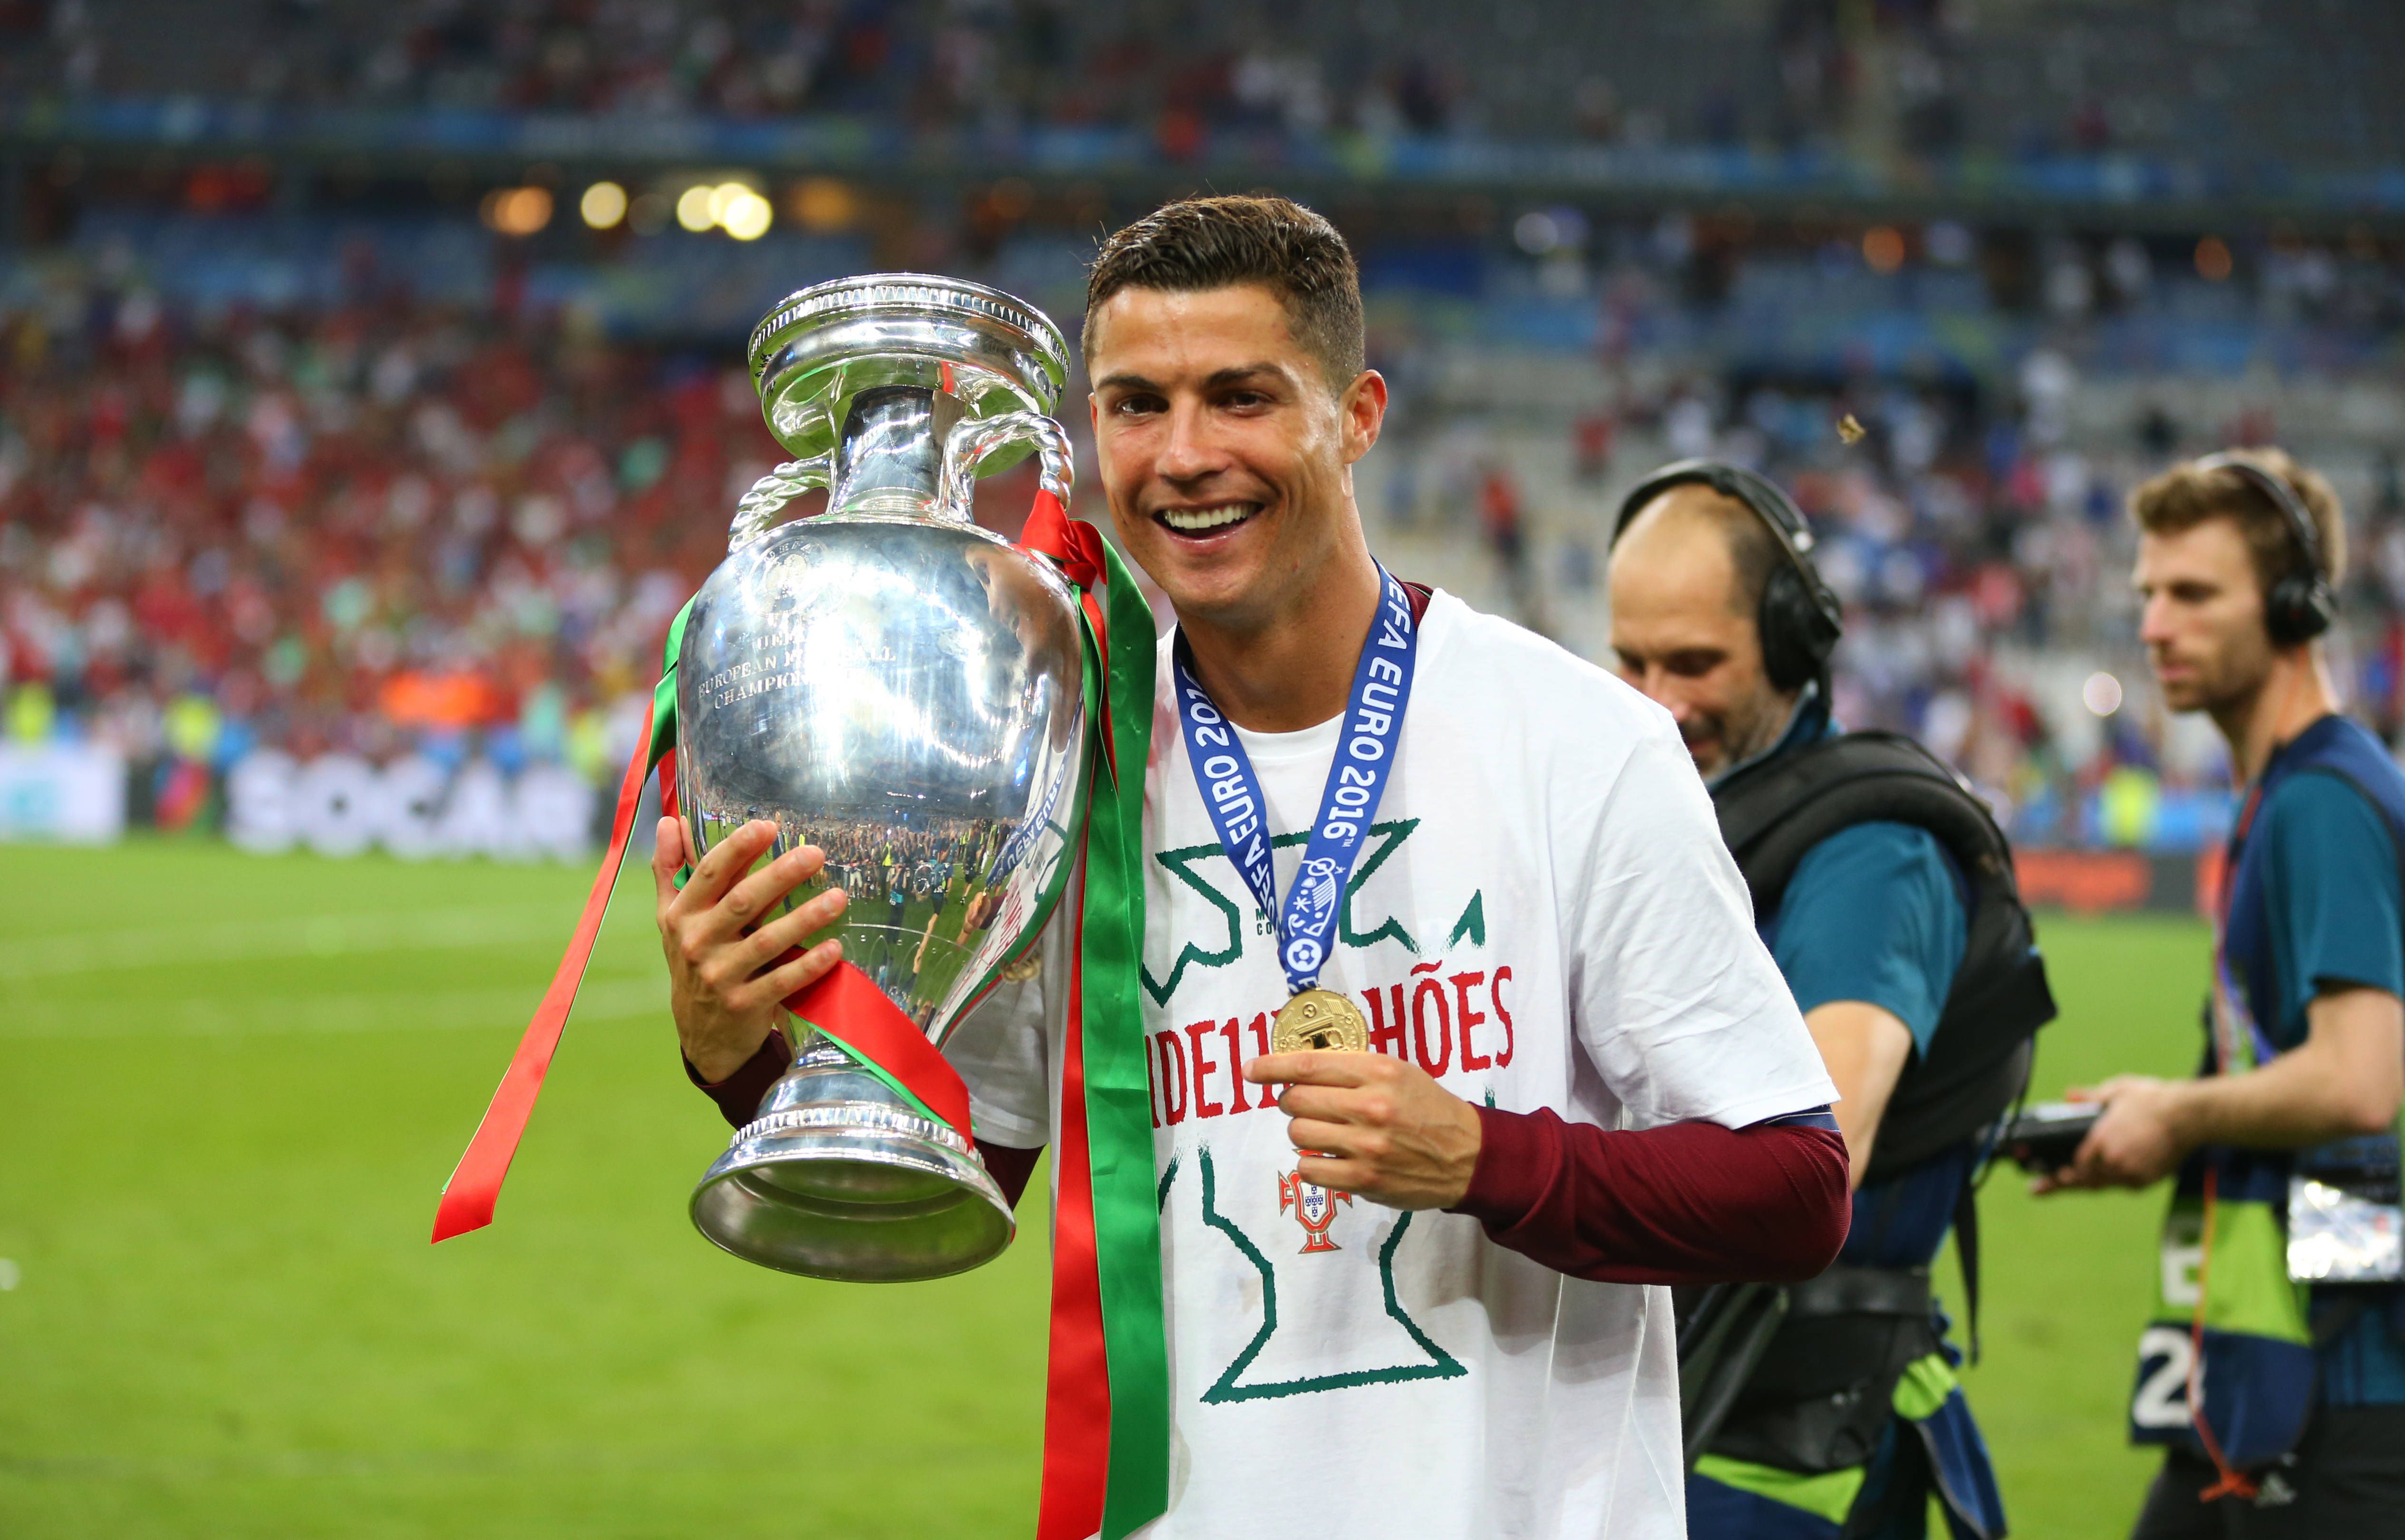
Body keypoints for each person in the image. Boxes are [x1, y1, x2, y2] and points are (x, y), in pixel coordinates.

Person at [651, 195, 1851, 1539]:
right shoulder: (1066, 763)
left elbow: (1795, 1193)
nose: (1182, 456)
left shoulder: (1578, 742)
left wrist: (1480, 1156)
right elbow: (960, 1181)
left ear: (1356, 415)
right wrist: (736, 1053)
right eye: (1134, 405)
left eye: (1239, 397)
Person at [1608, 462, 2056, 1540]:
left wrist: (1509, 1165)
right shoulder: (1699, 819)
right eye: (1632, 660)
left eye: (1697, 662)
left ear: (1794, 645)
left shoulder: (1870, 854)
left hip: (1787, 1450)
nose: (1659, 700)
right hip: (1699, 1419)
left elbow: (1808, 1158)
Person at [2040, 450, 2405, 1537]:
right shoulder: (2284, 795)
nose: (2155, 623)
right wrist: (2155, 1120)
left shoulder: (2321, 805)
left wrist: (2177, 1112)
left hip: (2347, 1387)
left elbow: (2357, 1085)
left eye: (2193, 593)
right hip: (2284, 1358)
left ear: (2294, 607)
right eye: (2147, 593)